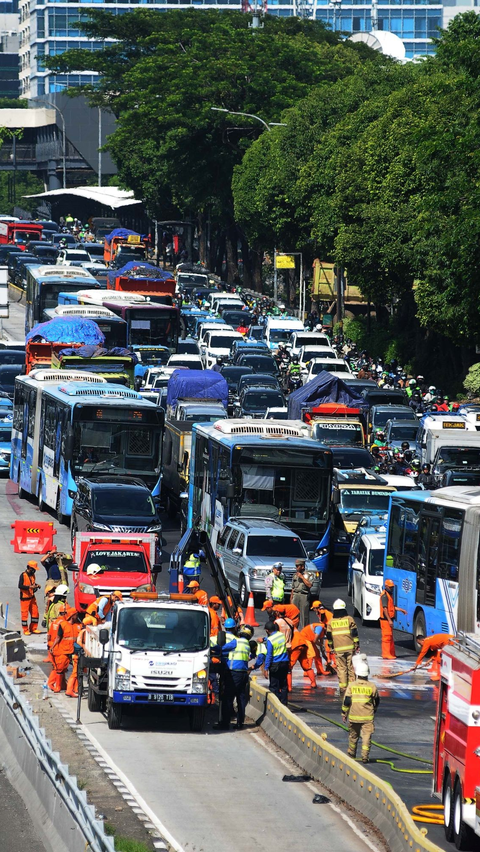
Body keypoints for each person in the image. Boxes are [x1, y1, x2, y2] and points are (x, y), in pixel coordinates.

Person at [341, 659, 379, 763]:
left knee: (353, 737)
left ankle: (351, 754)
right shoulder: (372, 686)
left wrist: (344, 713)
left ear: (357, 674)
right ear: (367, 674)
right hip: (367, 717)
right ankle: (365, 757)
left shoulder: (352, 686)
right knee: (366, 737)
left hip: (354, 716)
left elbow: (347, 701)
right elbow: (376, 700)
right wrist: (374, 709)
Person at [217, 619, 251, 730]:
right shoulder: (247, 644)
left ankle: (225, 723)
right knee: (241, 698)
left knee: (228, 697)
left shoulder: (237, 641)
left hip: (233, 673)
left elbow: (222, 649)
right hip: (243, 674)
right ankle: (240, 723)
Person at [326, 599, 359, 698]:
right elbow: (354, 633)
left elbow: (329, 637)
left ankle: (343, 689)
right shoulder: (349, 619)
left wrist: (331, 646)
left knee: (341, 669)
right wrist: (356, 644)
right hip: (350, 649)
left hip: (338, 650)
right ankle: (352, 688)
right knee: (351, 668)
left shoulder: (331, 622)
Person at [48, 606, 80, 694]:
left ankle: (74, 688)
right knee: (60, 669)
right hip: (64, 650)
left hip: (75, 651)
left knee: (76, 671)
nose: (77, 616)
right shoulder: (63, 625)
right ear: (72, 615)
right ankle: (58, 686)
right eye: (76, 615)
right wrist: (53, 647)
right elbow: (58, 637)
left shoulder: (78, 625)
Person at [264, 620, 290, 706]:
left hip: (275, 664)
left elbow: (269, 655)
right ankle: (284, 704)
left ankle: (275, 705)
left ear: (267, 630)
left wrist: (266, 668)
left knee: (274, 686)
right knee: (283, 685)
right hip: (285, 662)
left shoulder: (270, 640)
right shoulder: (281, 635)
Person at [379, 580, 406, 660]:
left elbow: (391, 607)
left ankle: (391, 653)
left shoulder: (389, 595)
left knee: (390, 637)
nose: (392, 588)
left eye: (392, 587)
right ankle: (386, 654)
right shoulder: (384, 596)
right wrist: (389, 620)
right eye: (390, 587)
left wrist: (401, 609)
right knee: (387, 637)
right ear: (386, 586)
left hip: (388, 619)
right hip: (385, 620)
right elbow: (385, 609)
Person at [18, 561, 41, 635]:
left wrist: (36, 585)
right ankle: (25, 630)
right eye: (32, 569)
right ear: (28, 567)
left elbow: (32, 583)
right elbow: (20, 586)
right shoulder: (23, 575)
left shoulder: (33, 575)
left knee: (35, 613)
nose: (34, 571)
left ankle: (33, 628)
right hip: (25, 598)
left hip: (32, 597)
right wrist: (30, 587)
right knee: (24, 615)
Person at [290, 558, 312, 629]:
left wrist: (302, 577)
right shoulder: (295, 575)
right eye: (296, 566)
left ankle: (305, 631)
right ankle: (293, 630)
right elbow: (293, 588)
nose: (296, 568)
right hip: (296, 595)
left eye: (298, 566)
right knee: (294, 615)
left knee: (304, 616)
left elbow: (309, 585)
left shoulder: (308, 575)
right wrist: (291, 598)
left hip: (304, 595)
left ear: (302, 566)